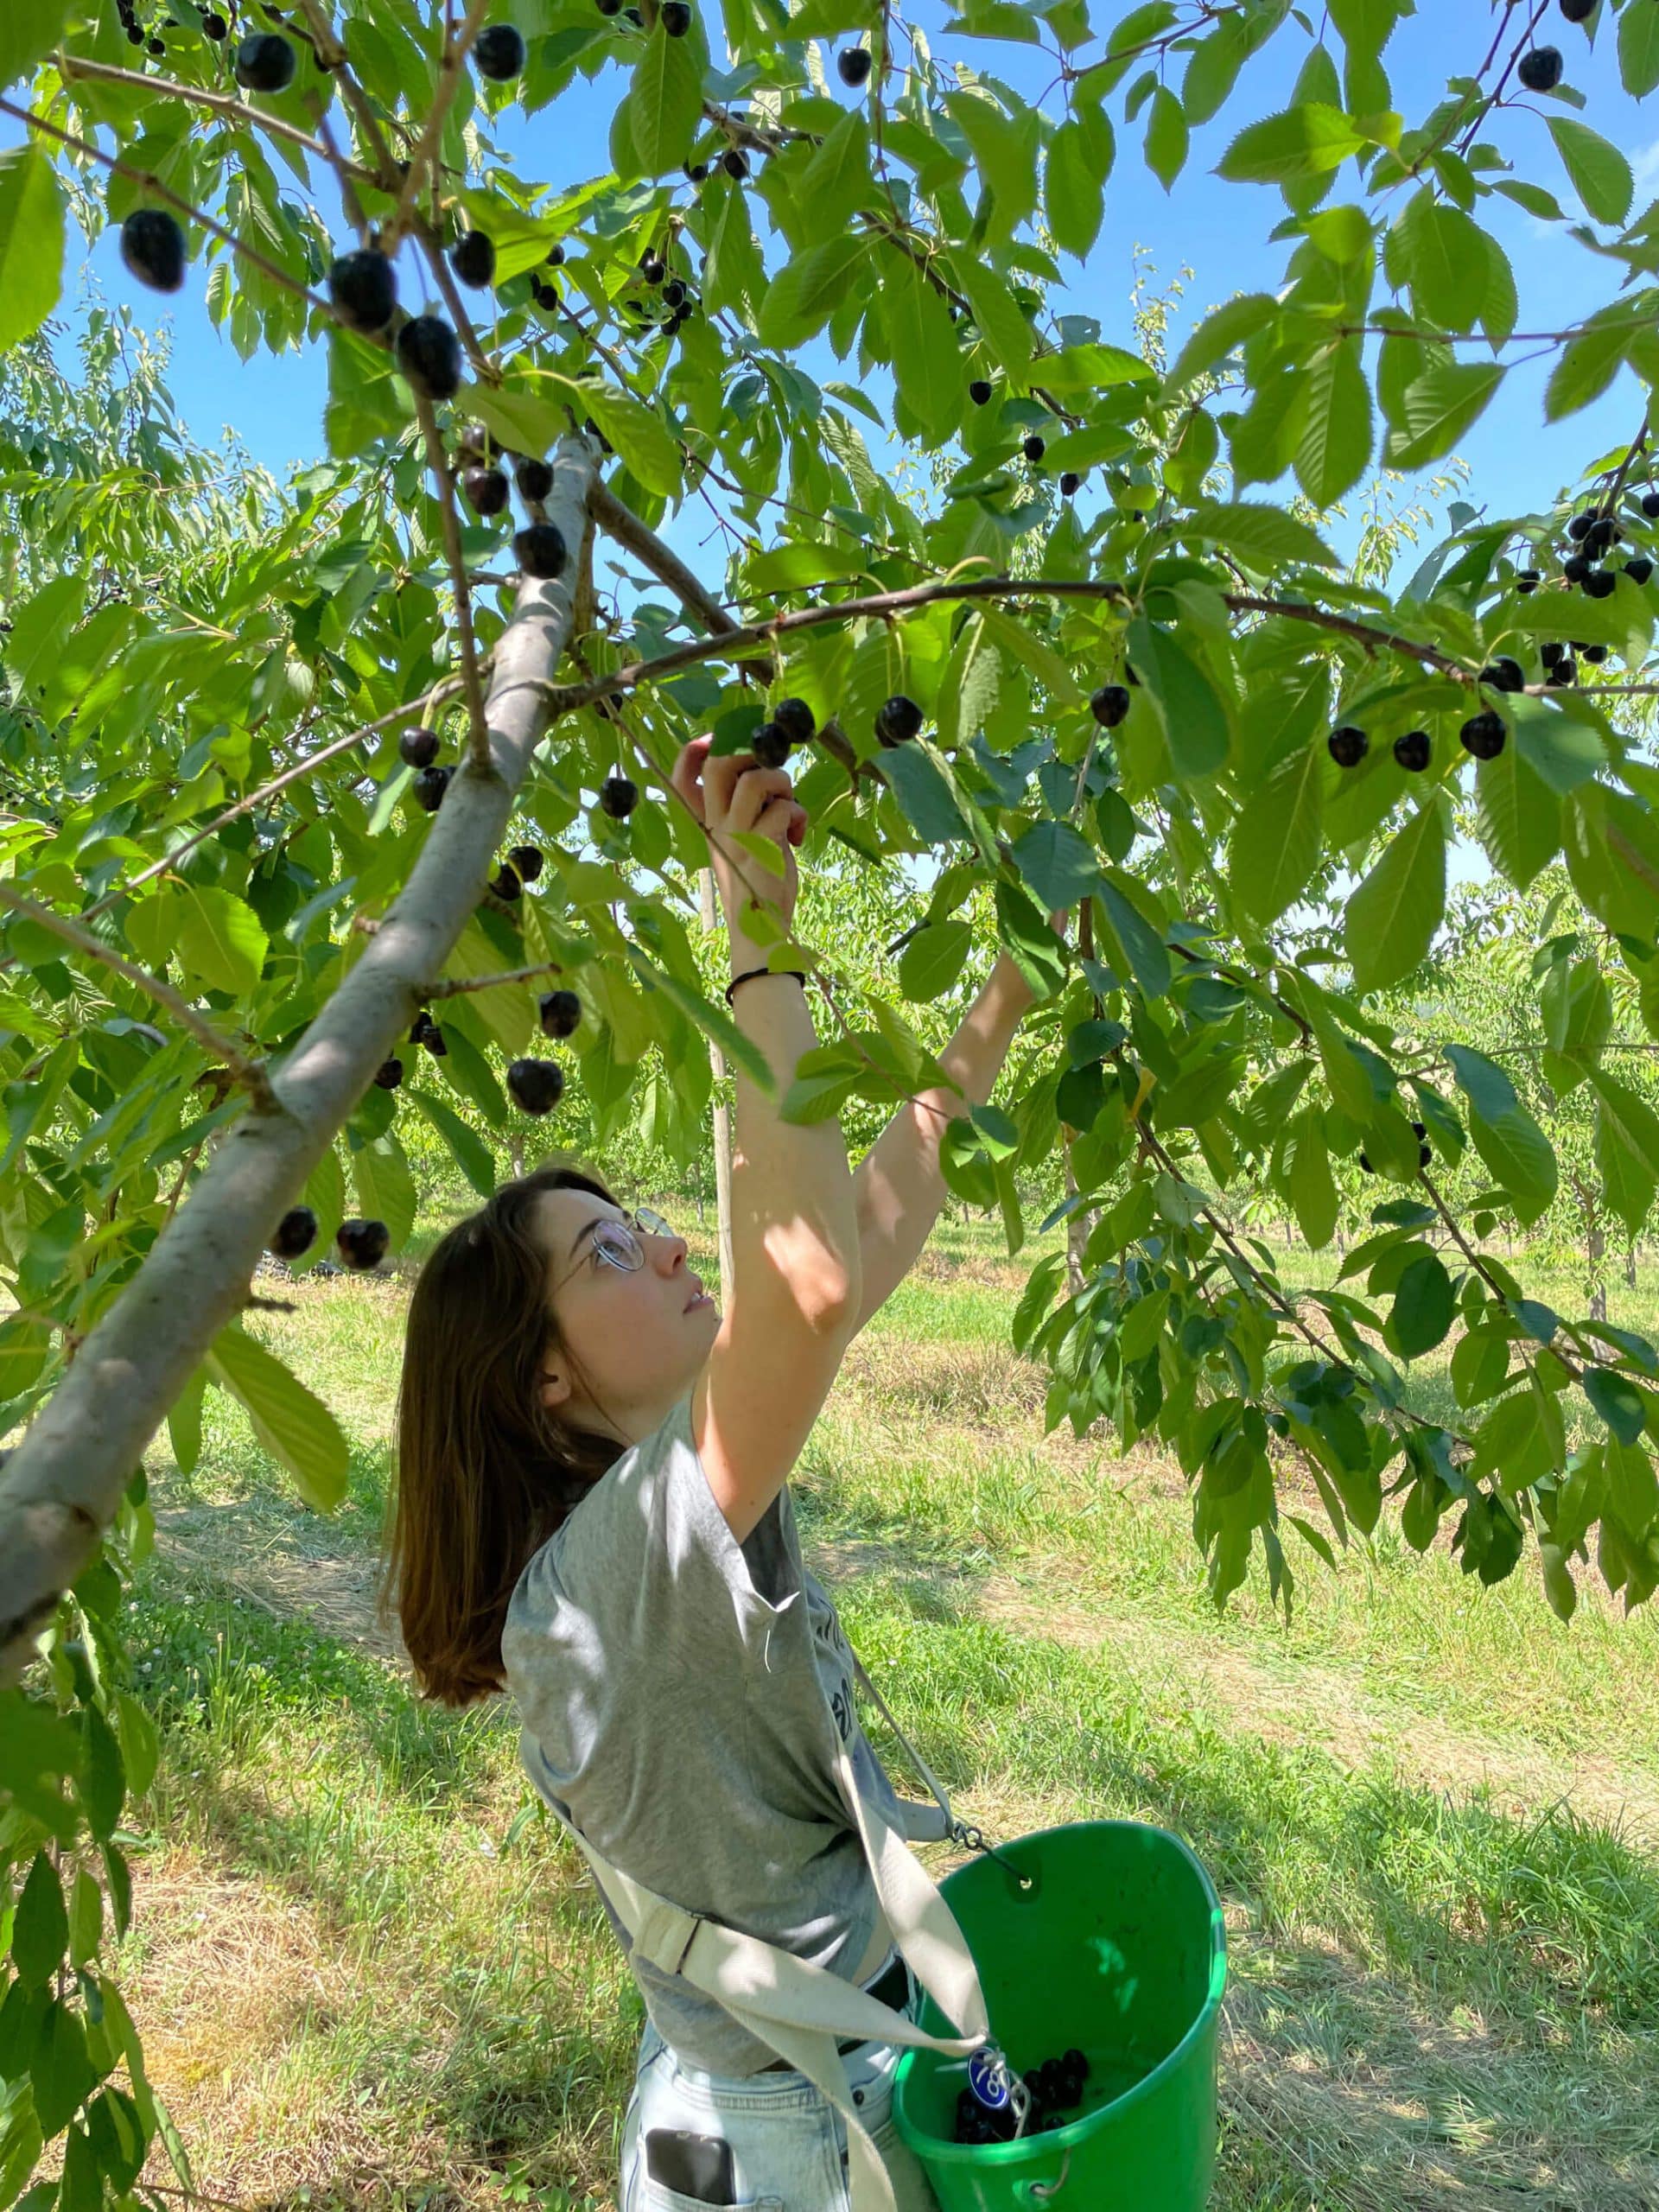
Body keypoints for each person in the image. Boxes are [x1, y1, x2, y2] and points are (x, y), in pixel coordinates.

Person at [383, 734, 1061, 2210]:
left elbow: (856, 1239)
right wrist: (754, 934)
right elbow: (806, 1283)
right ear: (543, 1376)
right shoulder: (614, 1572)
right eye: (611, 1251)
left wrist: (1008, 993)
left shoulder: (637, 1520)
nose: (674, 1242)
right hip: (790, 2138)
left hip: (780, 2087)